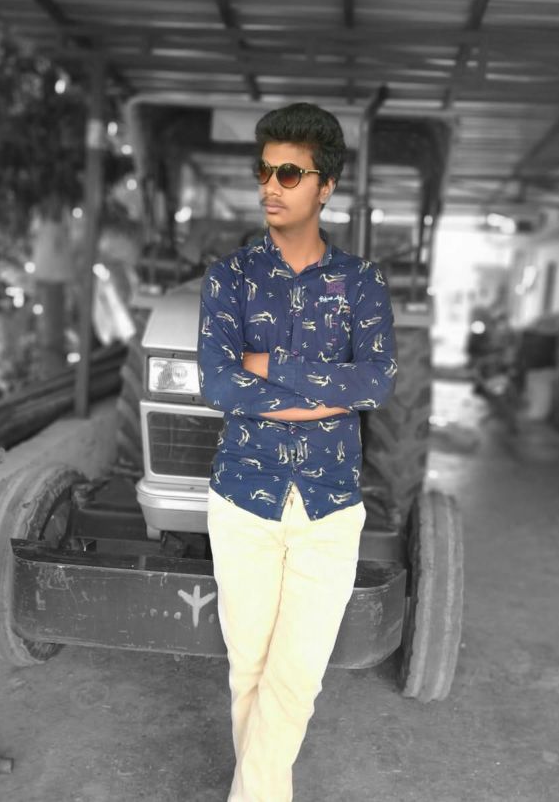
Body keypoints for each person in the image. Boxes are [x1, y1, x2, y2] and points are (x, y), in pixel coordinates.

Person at [198, 102, 397, 802]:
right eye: (264, 170)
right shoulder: (229, 278)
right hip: (242, 501)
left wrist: (269, 364)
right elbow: (220, 383)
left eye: (289, 173)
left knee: (296, 679)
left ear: (326, 186)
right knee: (249, 672)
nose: (270, 185)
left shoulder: (362, 283)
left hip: (329, 507)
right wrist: (327, 394)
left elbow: (376, 382)